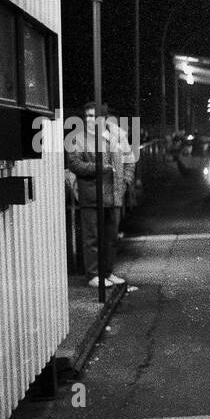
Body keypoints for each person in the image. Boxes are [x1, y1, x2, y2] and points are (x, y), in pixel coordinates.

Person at [65, 102, 128, 288]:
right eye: (88, 116)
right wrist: (99, 168)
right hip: (91, 195)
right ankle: (93, 274)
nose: (90, 119)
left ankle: (107, 272)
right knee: (92, 237)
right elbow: (74, 164)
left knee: (110, 237)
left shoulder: (113, 137)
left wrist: (125, 182)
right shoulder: (78, 138)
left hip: (112, 195)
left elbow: (127, 160)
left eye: (94, 116)